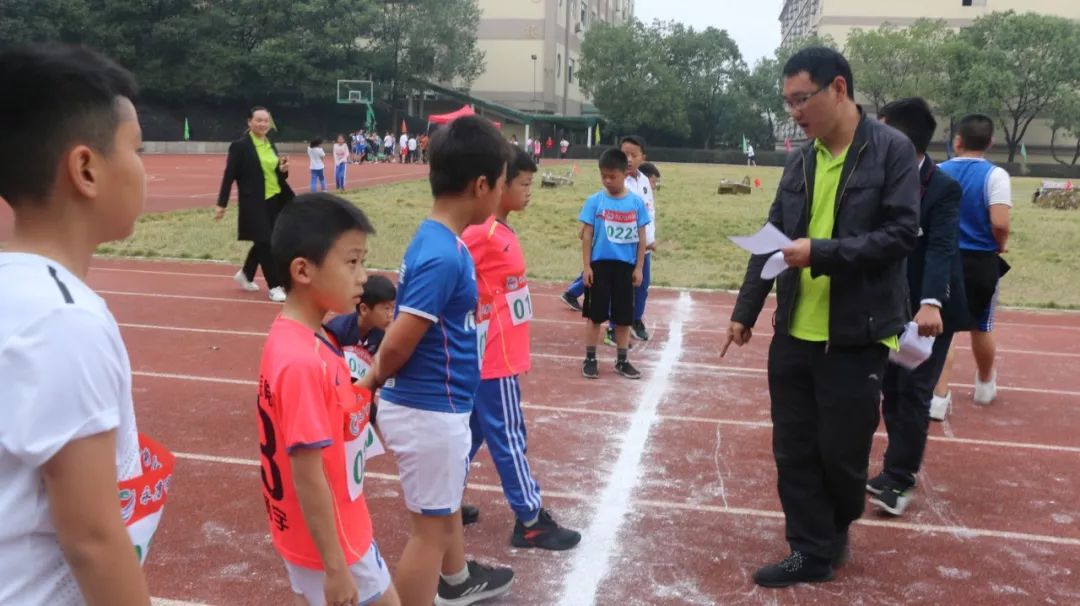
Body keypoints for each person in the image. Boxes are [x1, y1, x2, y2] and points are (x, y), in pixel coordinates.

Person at [724, 47, 919, 587]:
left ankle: (831, 530)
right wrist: (746, 310)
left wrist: (824, 253)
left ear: (838, 89)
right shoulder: (800, 159)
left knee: (843, 454)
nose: (794, 113)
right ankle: (809, 548)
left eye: (801, 99)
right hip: (793, 332)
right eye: (787, 102)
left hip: (855, 337)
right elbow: (771, 238)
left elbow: (903, 235)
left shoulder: (891, 152)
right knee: (793, 447)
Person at [0, 44, 152, 605]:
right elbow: (92, 538)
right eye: (136, 150)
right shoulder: (65, 318)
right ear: (86, 169)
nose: (144, 169)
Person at [362, 115, 514, 606]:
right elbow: (401, 339)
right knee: (427, 532)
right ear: (482, 185)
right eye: (503, 183)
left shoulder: (439, 240)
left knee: (440, 514)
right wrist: (367, 383)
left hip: (433, 405)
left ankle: (458, 580)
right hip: (429, 410)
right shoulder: (444, 254)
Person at [257, 193, 400, 606]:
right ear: (303, 270)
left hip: (329, 532)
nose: (363, 276)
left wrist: (370, 380)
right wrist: (336, 568)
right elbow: (307, 473)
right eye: (352, 262)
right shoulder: (302, 360)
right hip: (332, 544)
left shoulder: (307, 336)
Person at [460, 145, 582, 549]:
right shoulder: (480, 233)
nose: (530, 191)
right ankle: (530, 519)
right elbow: (448, 269)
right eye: (524, 184)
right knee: (509, 436)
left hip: (496, 354)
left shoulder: (501, 230)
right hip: (493, 357)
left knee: (471, 435)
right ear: (497, 185)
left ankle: (441, 502)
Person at [867, 97, 966, 516]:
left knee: (913, 392)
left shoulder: (942, 187)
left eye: (881, 130)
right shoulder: (877, 177)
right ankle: (892, 468)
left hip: (930, 311)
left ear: (902, 139)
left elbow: (942, 247)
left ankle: (899, 479)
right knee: (890, 388)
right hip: (889, 303)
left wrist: (929, 304)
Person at [932, 114, 1012, 412]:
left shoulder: (938, 171)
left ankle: (939, 396)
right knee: (982, 325)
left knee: (944, 327)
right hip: (980, 260)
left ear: (957, 141)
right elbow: (1000, 223)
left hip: (943, 257)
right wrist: (1000, 244)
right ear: (990, 142)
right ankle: (984, 384)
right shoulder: (996, 176)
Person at [562, 136, 656, 344]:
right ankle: (612, 330)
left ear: (643, 157)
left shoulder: (644, 182)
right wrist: (587, 227)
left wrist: (651, 238)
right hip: (618, 250)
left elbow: (649, 212)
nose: (629, 159)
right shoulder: (617, 183)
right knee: (612, 288)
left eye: (634, 155)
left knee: (641, 287)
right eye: (626, 154)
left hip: (641, 249)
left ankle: (634, 321)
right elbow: (601, 211)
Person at [579, 148, 651, 380]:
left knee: (623, 317)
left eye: (613, 176)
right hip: (600, 266)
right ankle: (590, 358)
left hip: (625, 268)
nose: (608, 181)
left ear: (624, 174)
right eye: (604, 176)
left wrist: (639, 267)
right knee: (595, 316)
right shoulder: (594, 202)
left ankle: (622, 360)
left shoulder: (636, 203)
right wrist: (587, 266)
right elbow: (587, 235)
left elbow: (642, 238)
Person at [215, 106, 295, 303]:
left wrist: (283, 169)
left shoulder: (270, 145)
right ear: (249, 122)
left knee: (266, 240)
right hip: (254, 202)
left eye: (266, 121)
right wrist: (221, 203)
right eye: (258, 120)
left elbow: (277, 174)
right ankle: (275, 286)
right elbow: (229, 175)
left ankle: (246, 273)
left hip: (276, 198)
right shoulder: (240, 146)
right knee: (266, 243)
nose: (262, 124)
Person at [326, 274, 397, 389]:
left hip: (362, 396)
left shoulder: (380, 333)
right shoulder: (337, 331)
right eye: (386, 308)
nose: (390, 315)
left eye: (393, 308)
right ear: (364, 309)